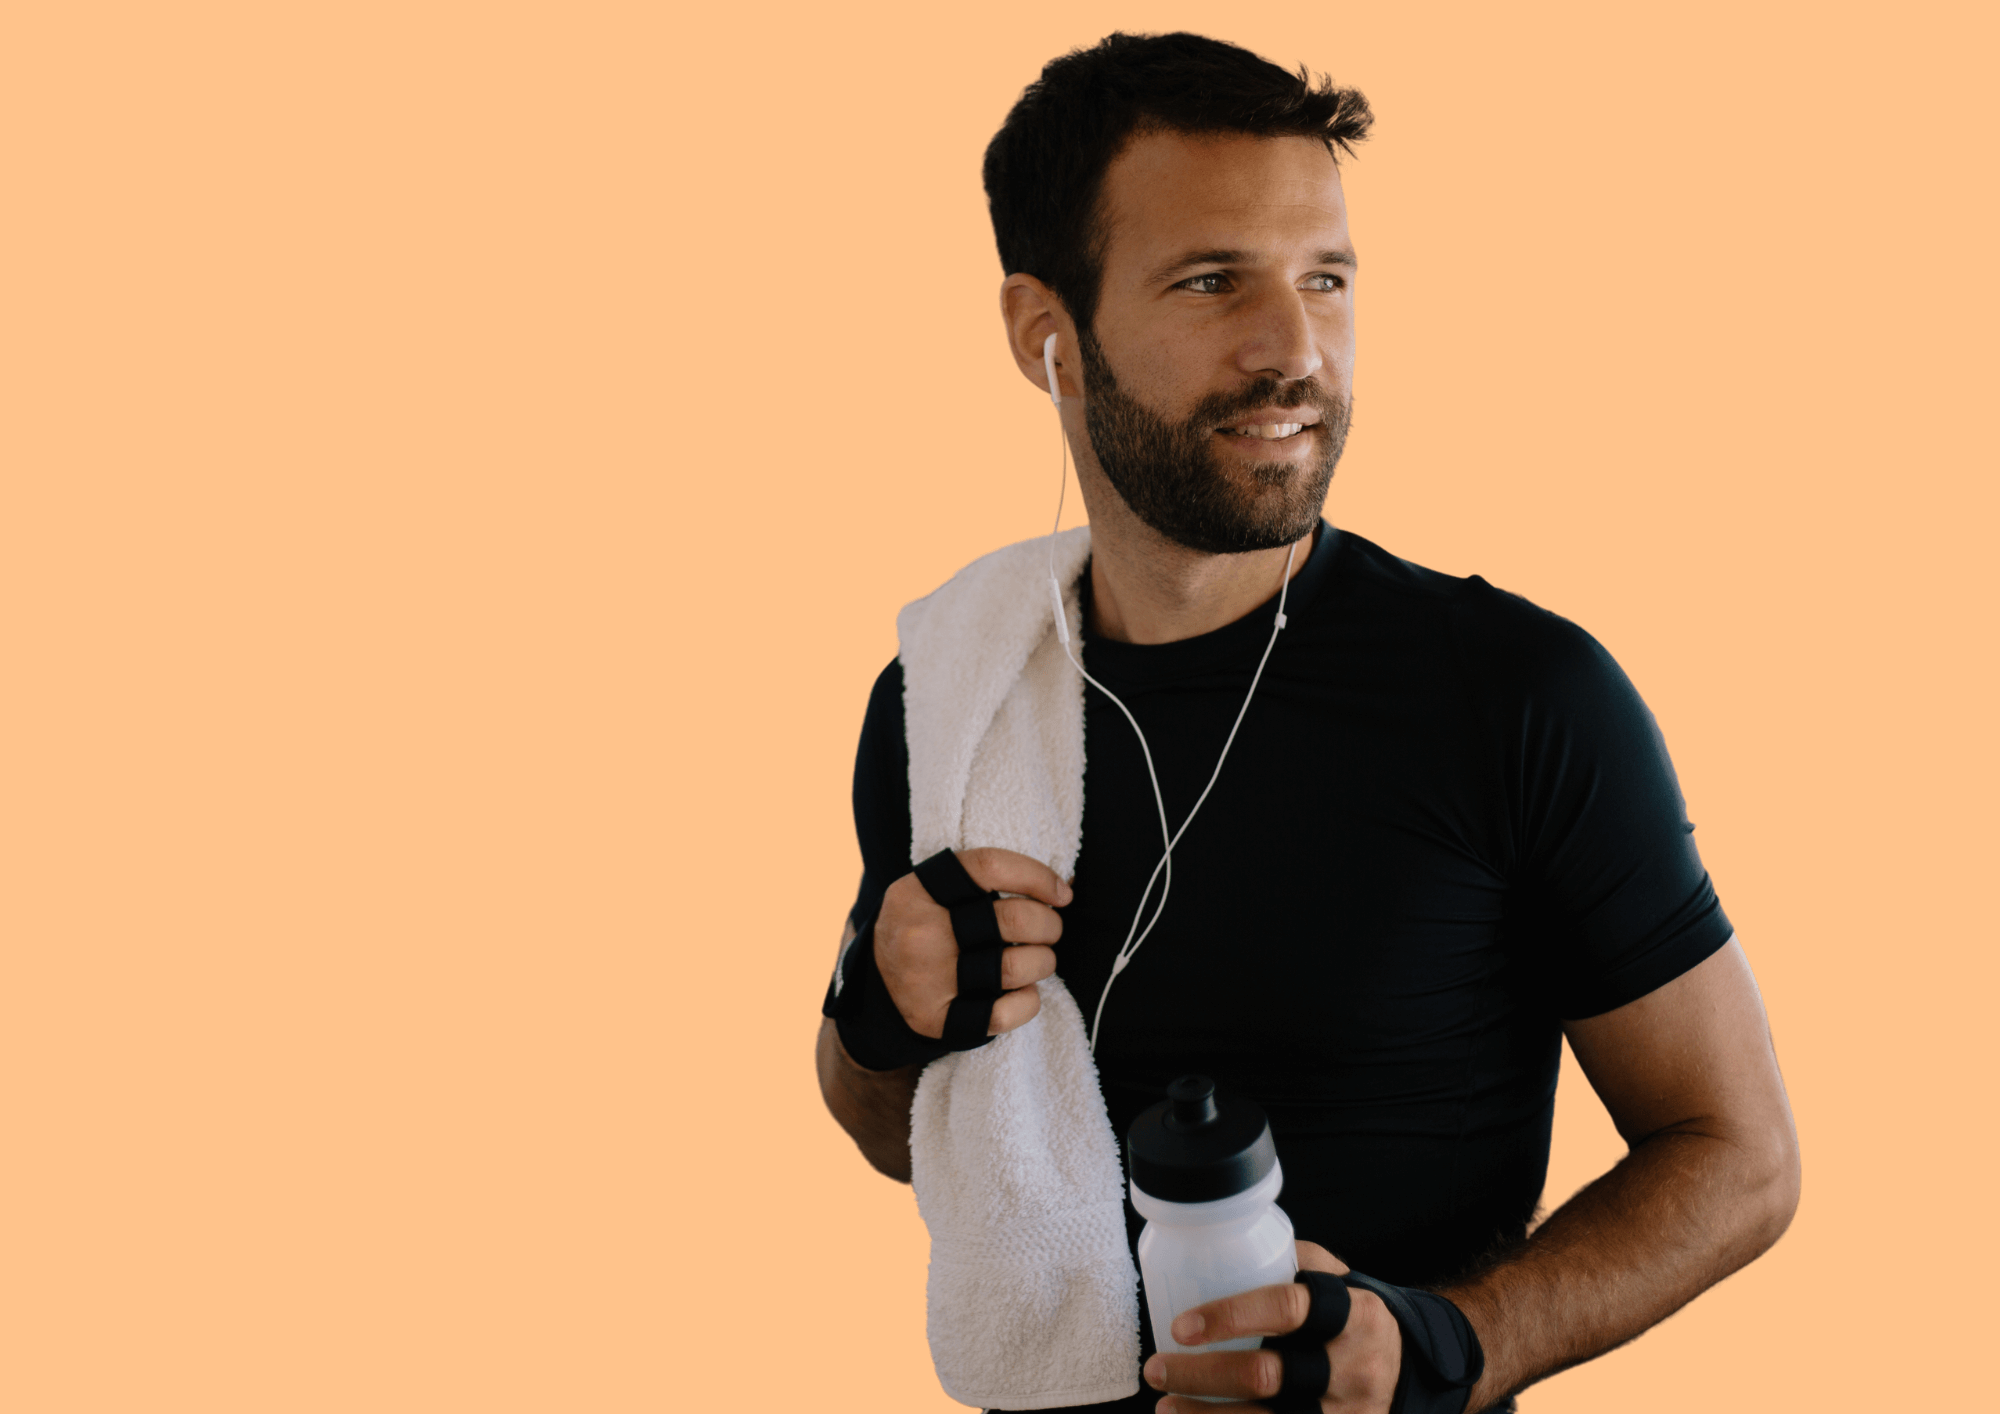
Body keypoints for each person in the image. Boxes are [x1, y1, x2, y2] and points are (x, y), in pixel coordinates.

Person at [815, 31, 1799, 1414]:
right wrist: (875, 1008)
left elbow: (1741, 1154)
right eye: (1213, 280)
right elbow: (908, 1134)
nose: (1294, 350)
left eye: (1325, 278)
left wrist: (1450, 1346)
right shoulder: (951, 702)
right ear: (1048, 334)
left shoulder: (1515, 693)